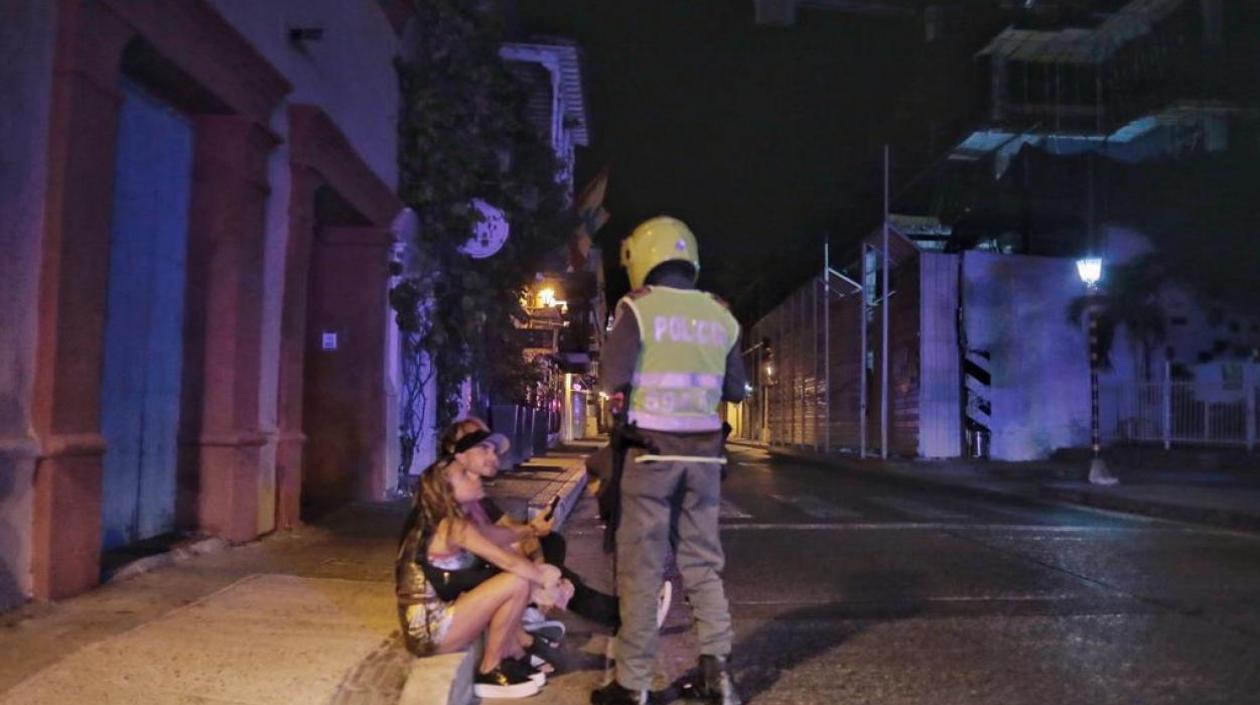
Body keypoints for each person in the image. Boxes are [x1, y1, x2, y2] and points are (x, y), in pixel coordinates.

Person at [592, 216, 746, 705]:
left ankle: (633, 683)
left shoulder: (637, 310)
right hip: (704, 460)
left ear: (641, 259)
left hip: (648, 457)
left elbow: (610, 381)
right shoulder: (722, 315)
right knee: (703, 565)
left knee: (641, 569)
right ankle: (719, 678)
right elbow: (736, 390)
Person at [395, 426, 561, 700]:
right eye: (464, 475)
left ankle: (509, 652)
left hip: (440, 619)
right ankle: (490, 670)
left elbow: (502, 535)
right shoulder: (453, 526)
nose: (473, 477)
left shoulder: (455, 520)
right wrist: (548, 581)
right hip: (429, 632)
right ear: (447, 489)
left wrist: (531, 530)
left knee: (516, 575)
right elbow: (510, 562)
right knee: (517, 579)